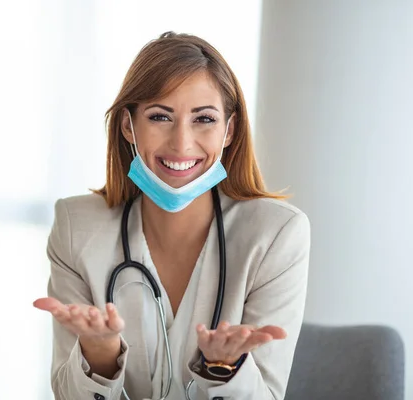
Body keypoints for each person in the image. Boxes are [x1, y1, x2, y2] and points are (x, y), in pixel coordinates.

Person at [33, 31, 311, 400]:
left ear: (229, 131)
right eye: (161, 116)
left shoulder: (277, 234)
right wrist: (99, 355)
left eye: (204, 119)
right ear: (128, 126)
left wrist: (223, 369)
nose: (181, 143)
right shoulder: (76, 226)